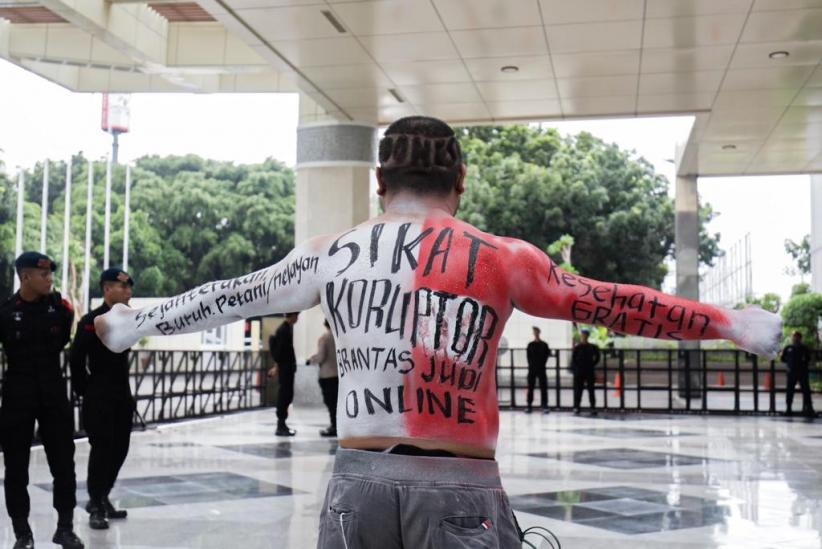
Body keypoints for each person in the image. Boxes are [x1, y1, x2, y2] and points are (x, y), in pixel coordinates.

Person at [94, 116, 782, 548]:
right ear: (459, 179)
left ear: (379, 178)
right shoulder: (502, 257)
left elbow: (230, 295)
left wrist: (135, 322)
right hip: (459, 486)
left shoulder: (332, 250)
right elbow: (606, 303)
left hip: (356, 484)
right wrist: (730, 323)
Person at [0, 252, 84, 549]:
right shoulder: (6, 312)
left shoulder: (59, 309)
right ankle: (23, 533)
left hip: (52, 391)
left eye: (50, 274)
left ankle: (65, 528)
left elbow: (62, 339)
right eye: (43, 274)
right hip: (17, 393)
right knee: (16, 466)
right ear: (25, 277)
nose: (49, 279)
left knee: (64, 463)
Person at [69, 267, 135, 530]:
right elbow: (76, 359)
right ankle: (95, 504)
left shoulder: (129, 319)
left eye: (130, 287)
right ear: (107, 289)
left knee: (120, 449)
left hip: (122, 396)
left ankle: (103, 495)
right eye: (123, 287)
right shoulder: (92, 320)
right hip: (99, 396)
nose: (128, 291)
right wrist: (86, 390)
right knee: (102, 451)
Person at [268, 312, 299, 436]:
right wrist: (277, 367)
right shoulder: (283, 330)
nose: (297, 318)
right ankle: (281, 425)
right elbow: (281, 352)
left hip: (287, 368)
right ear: (291, 316)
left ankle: (283, 424)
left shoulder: (286, 329)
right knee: (285, 395)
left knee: (287, 395)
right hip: (286, 369)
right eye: (296, 315)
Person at [308, 320, 339, 437]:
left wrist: (311, 360)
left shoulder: (324, 338)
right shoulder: (340, 338)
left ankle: (334, 427)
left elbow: (321, 357)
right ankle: (337, 426)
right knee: (336, 402)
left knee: (330, 402)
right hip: (338, 376)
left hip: (327, 375)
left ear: (326, 325)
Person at [780, 331, 816, 417]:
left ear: (800, 338)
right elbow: (783, 358)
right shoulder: (788, 347)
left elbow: (808, 359)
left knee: (806, 391)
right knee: (790, 391)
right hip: (791, 372)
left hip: (802, 372)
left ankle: (809, 409)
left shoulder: (804, 348)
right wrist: (789, 364)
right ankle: (788, 409)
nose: (794, 338)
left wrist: (802, 364)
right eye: (793, 336)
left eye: (796, 336)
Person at [571, 329, 601, 415]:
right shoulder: (577, 347)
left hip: (589, 371)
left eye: (585, 335)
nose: (583, 337)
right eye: (582, 335)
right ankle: (577, 407)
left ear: (587, 336)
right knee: (578, 390)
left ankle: (592, 407)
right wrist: (577, 369)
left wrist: (592, 364)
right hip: (580, 371)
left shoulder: (592, 347)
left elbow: (597, 357)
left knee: (591, 390)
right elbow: (573, 359)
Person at [525, 326, 550, 414]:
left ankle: (544, 405)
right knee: (530, 387)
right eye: (534, 332)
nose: (535, 333)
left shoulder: (544, 345)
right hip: (532, 369)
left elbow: (546, 356)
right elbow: (528, 357)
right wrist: (532, 365)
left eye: (536, 332)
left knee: (543, 387)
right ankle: (529, 405)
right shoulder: (530, 345)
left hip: (541, 368)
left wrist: (541, 364)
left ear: (539, 332)